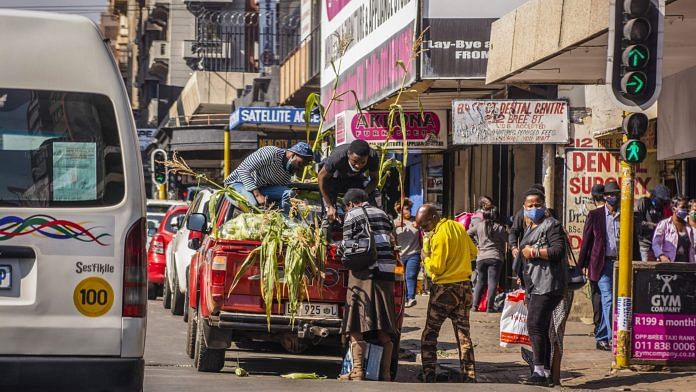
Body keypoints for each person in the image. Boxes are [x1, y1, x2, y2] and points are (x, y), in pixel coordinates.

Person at [339, 189, 398, 381]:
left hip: (364, 274)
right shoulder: (384, 215)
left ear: (350, 204)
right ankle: (385, 373)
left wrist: (336, 248)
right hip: (387, 275)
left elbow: (348, 246)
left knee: (356, 321)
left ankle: (358, 371)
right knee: (383, 324)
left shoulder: (353, 214)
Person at [415, 204, 478, 383]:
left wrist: (425, 258)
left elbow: (436, 267)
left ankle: (429, 374)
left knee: (430, 334)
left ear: (434, 218)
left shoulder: (439, 235)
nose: (424, 230)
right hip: (465, 287)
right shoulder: (458, 227)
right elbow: (474, 252)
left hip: (444, 289)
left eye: (425, 226)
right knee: (464, 334)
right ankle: (469, 376)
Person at [516, 188, 568, 387]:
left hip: (547, 284)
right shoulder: (531, 226)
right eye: (530, 206)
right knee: (542, 327)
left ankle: (538, 371)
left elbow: (558, 251)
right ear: (524, 208)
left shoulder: (551, 225)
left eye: (537, 205)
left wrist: (534, 252)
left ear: (544, 205)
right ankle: (545, 371)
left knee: (535, 325)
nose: (534, 208)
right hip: (535, 283)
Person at [578, 180, 621, 352]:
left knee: (614, 301)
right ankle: (612, 338)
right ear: (604, 197)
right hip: (601, 264)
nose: (613, 197)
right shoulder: (595, 215)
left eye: (616, 194)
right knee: (608, 299)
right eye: (610, 194)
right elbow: (586, 241)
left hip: (620, 264)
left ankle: (602, 336)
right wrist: (581, 264)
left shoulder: (626, 216)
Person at [224, 142, 314, 213]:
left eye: (303, 166)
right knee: (253, 204)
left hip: (261, 188)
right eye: (300, 163)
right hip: (238, 183)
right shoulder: (271, 152)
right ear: (292, 155)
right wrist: (258, 195)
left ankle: (284, 223)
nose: (300, 167)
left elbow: (280, 192)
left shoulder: (287, 172)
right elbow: (243, 169)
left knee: (289, 194)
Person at [318, 140, 380, 223]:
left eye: (363, 162)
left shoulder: (373, 157)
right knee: (329, 212)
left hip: (356, 180)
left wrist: (363, 195)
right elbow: (321, 177)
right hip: (335, 178)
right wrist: (329, 206)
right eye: (355, 161)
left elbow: (374, 179)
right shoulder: (338, 157)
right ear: (348, 154)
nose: (358, 165)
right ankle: (328, 222)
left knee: (374, 195)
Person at [468, 196, 507, 313]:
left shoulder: (479, 225)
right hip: (495, 257)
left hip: (481, 257)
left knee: (480, 281)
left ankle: (474, 306)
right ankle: (490, 307)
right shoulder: (499, 228)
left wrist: (476, 244)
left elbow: (467, 234)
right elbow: (509, 239)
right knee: (492, 282)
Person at [394, 198, 421, 308]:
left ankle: (411, 298)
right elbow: (390, 237)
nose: (409, 211)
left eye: (409, 208)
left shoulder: (416, 221)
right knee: (399, 276)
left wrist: (419, 226)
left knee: (411, 275)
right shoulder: (395, 223)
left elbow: (427, 230)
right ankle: (402, 299)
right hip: (399, 256)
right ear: (399, 210)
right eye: (406, 209)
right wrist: (393, 228)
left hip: (414, 254)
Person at [652, 196, 696, 263]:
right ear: (673, 209)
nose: (686, 210)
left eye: (687, 207)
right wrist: (661, 256)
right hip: (669, 267)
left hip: (688, 268)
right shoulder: (664, 225)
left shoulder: (689, 228)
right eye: (683, 207)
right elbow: (655, 243)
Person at [588, 184, 606, 342]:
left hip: (597, 263)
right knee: (604, 298)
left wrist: (582, 265)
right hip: (600, 264)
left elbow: (586, 242)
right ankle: (602, 330)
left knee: (600, 298)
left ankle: (600, 330)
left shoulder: (593, 214)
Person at [635, 184, 672, 261]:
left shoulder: (661, 207)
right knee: (646, 268)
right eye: (660, 200)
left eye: (663, 201)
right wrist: (655, 225)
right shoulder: (644, 202)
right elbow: (638, 222)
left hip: (656, 244)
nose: (662, 202)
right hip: (644, 243)